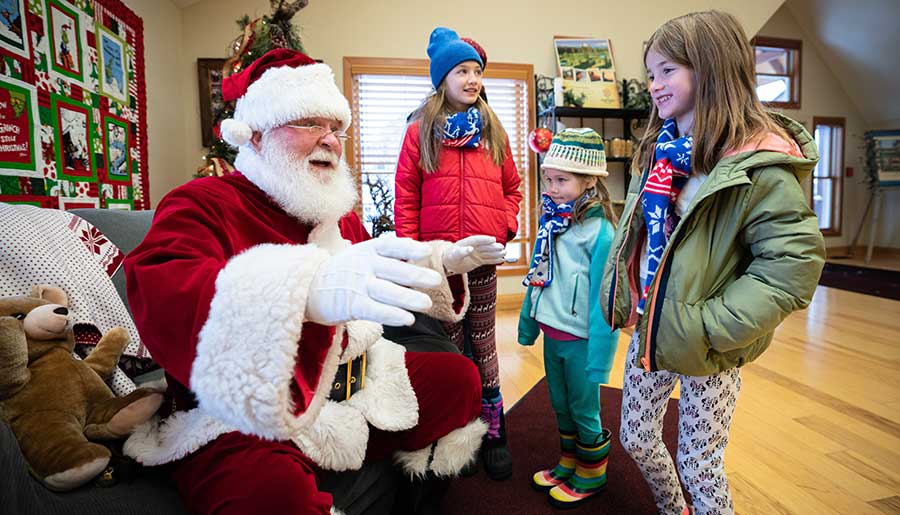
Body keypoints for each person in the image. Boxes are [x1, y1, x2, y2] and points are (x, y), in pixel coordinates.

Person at [122, 48, 508, 515]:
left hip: (355, 386)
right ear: (257, 134)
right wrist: (303, 294)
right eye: (309, 123)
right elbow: (164, 290)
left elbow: (378, 265)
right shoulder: (201, 202)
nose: (329, 140)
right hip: (250, 414)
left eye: (336, 128)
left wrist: (439, 261)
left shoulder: (333, 212)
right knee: (269, 495)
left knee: (459, 379)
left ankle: (354, 457)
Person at [600, 11, 826, 515]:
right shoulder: (661, 150)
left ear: (711, 68)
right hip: (653, 328)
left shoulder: (756, 164)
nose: (654, 85)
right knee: (636, 437)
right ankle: (672, 508)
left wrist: (713, 327)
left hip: (711, 346)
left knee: (700, 464)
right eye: (651, 73)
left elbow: (794, 260)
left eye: (667, 71)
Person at [394, 27, 522, 481]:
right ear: (442, 78)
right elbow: (406, 195)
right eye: (462, 71)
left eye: (477, 71)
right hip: (438, 262)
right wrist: (414, 251)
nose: (472, 79)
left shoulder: (494, 131)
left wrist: (504, 226)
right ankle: (456, 433)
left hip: (483, 260)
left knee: (484, 344)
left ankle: (493, 432)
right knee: (449, 348)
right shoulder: (419, 131)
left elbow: (513, 188)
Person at [518, 128, 620, 509]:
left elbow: (603, 300)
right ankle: (569, 461)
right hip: (551, 331)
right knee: (559, 402)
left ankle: (592, 473)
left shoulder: (602, 233)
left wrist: (600, 360)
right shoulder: (553, 221)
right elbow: (537, 273)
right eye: (548, 178)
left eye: (562, 180)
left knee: (583, 406)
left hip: (579, 339)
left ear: (589, 181)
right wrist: (529, 323)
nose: (552, 187)